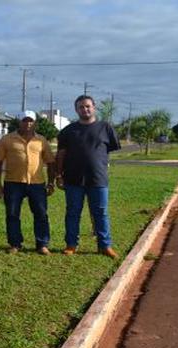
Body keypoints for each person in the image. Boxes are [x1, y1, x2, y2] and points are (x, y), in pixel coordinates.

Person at [55, 95, 121, 258]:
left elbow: (107, 152)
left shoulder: (106, 128)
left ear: (94, 107)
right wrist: (58, 175)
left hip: (98, 179)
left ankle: (105, 245)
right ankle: (71, 244)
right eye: (81, 107)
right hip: (73, 179)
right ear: (76, 110)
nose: (85, 109)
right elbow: (61, 154)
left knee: (101, 213)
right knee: (73, 213)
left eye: (87, 106)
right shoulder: (68, 131)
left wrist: (103, 165)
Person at [0, 110, 56, 255]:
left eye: (31, 121)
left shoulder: (41, 140)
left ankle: (42, 244)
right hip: (13, 183)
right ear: (19, 122)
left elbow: (50, 162)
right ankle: (15, 243)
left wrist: (51, 182)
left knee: (41, 214)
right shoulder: (7, 139)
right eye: (25, 120)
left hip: (37, 183)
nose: (28, 123)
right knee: (12, 214)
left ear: (35, 123)